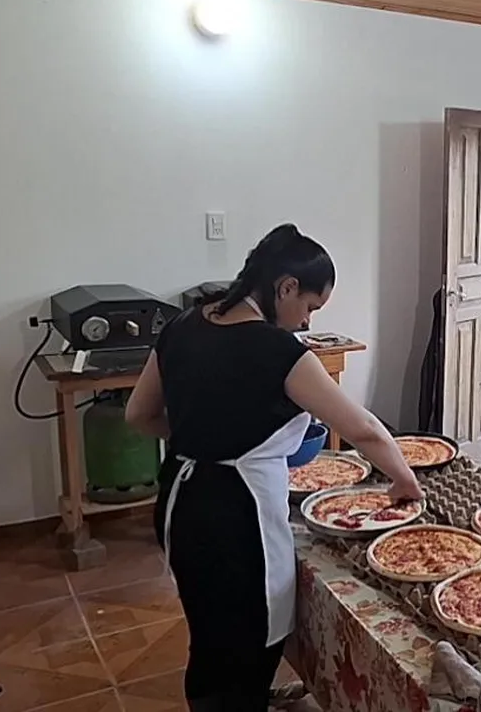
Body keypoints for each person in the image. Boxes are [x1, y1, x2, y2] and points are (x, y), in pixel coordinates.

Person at [125, 223, 425, 710]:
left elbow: (138, 414)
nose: (306, 321)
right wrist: (404, 478)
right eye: (310, 307)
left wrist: (199, 440)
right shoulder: (278, 351)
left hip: (181, 500)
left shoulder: (182, 325)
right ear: (286, 287)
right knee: (247, 640)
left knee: (208, 630)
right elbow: (364, 429)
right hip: (237, 517)